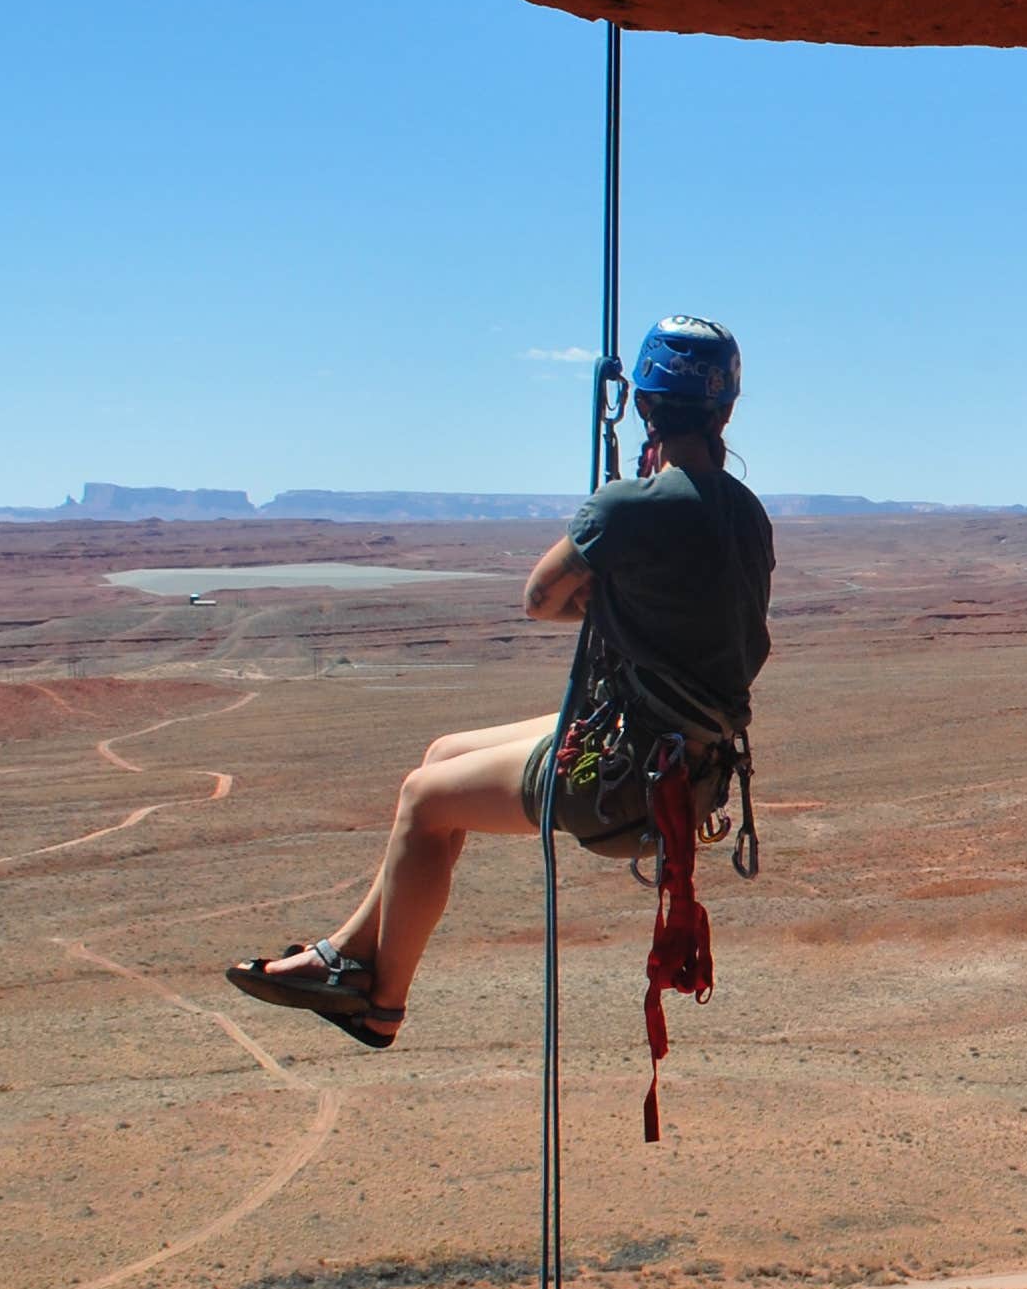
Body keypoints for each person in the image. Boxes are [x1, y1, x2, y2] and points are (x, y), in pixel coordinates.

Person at [225, 316, 773, 1049]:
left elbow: (540, 598)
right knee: (442, 754)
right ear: (726, 410)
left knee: (424, 801)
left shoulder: (628, 507)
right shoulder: (749, 514)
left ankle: (379, 1002)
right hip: (685, 761)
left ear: (643, 405)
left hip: (627, 774)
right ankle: (345, 954)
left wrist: (610, 590)